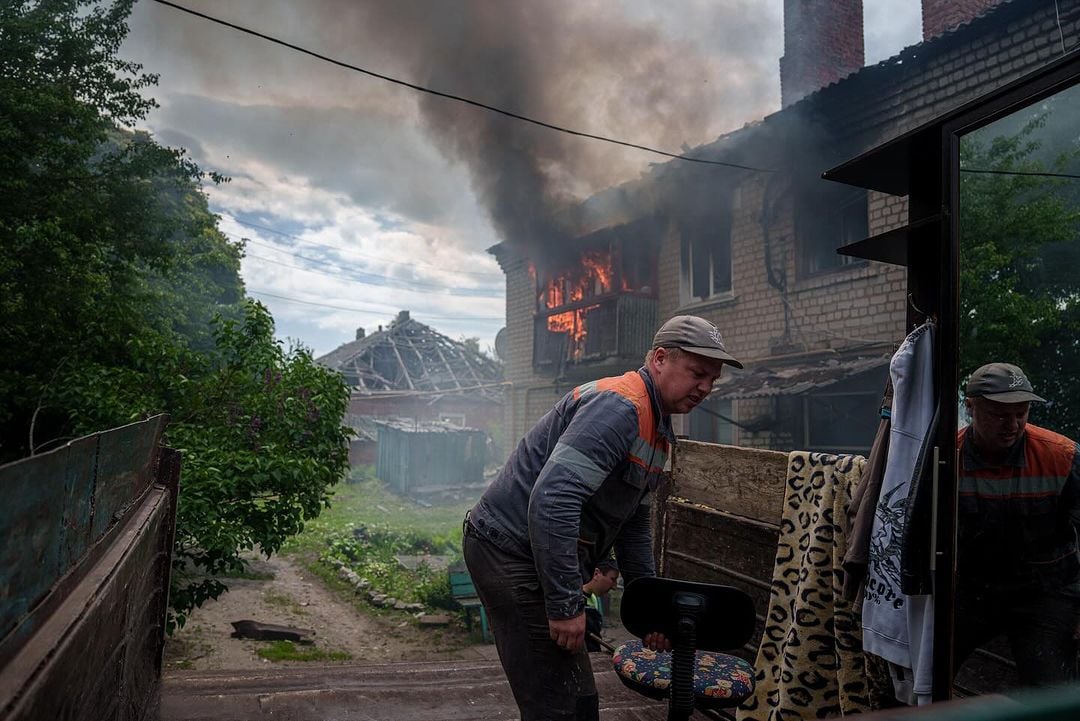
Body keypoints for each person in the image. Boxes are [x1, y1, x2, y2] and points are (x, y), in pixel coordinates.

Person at [463, 315, 742, 721]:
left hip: (533, 555)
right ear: (660, 359)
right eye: (698, 373)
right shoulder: (620, 407)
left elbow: (633, 525)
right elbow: (553, 499)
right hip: (508, 553)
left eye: (712, 380)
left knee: (581, 700)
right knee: (554, 705)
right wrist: (563, 605)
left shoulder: (659, 431)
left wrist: (652, 613)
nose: (705, 388)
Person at [955, 362, 1080, 686]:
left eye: (1021, 413)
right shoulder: (945, 458)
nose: (1012, 424)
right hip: (973, 589)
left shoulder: (1062, 455)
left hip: (1045, 590)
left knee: (1050, 689)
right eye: (999, 414)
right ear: (971, 408)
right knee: (922, 672)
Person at [582, 564, 619, 652]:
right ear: (596, 574)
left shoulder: (594, 599)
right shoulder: (572, 601)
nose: (614, 587)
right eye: (612, 579)